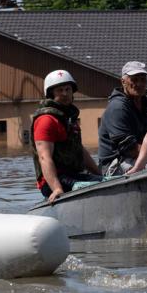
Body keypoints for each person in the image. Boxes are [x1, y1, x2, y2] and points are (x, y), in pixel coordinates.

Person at [31, 69, 102, 202]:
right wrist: (57, 188)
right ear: (51, 94)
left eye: (68, 89)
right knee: (98, 185)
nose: (65, 93)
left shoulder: (68, 119)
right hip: (53, 181)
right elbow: (44, 157)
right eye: (60, 90)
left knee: (107, 181)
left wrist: (100, 174)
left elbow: (79, 150)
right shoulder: (46, 120)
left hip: (74, 175)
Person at [96, 60, 147, 176]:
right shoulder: (117, 107)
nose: (139, 84)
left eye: (143, 79)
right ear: (123, 82)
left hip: (142, 155)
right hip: (115, 163)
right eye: (134, 80)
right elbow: (128, 148)